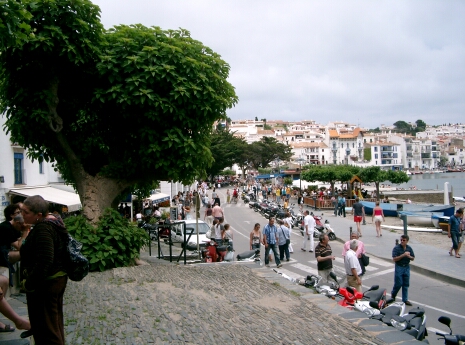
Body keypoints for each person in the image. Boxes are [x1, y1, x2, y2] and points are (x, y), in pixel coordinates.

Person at [20, 195, 69, 344]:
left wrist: (29, 283)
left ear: (38, 215)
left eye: (26, 212)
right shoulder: (52, 223)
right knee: (53, 325)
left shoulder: (44, 229)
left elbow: (45, 260)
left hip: (47, 284)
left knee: (48, 330)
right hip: (54, 280)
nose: (22, 215)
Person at [391, 234, 415, 306]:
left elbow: (413, 258)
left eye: (404, 240)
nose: (402, 241)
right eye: (401, 240)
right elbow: (394, 259)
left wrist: (409, 256)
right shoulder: (397, 248)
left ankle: (405, 299)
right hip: (399, 266)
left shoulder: (409, 248)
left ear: (407, 241)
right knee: (399, 283)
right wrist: (403, 255)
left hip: (406, 266)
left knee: (406, 284)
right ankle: (393, 294)